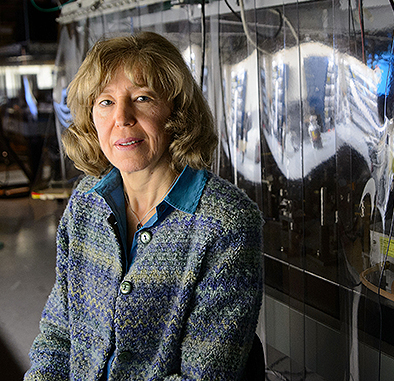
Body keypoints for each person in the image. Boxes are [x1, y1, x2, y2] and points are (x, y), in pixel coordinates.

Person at [24, 32, 264, 380]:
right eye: (105, 102)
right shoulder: (86, 203)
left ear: (176, 112)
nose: (122, 117)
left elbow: (204, 375)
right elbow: (59, 333)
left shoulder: (226, 224)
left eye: (142, 98)